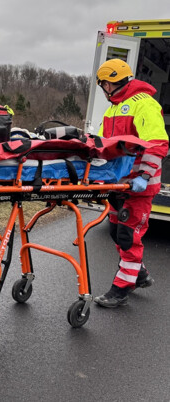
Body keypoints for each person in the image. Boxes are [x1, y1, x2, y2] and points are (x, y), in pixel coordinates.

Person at [93, 58, 168, 308]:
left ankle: (122, 288)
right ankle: (141, 274)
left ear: (113, 82)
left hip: (138, 186)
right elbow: (108, 147)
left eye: (104, 84)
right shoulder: (113, 108)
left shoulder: (144, 104)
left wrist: (144, 176)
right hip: (119, 184)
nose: (103, 89)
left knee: (128, 235)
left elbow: (158, 143)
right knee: (115, 231)